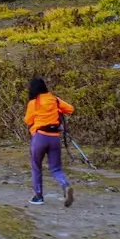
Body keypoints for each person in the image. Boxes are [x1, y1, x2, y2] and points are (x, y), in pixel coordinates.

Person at [25, 77, 75, 207]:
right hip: (54, 138)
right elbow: (70, 109)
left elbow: (28, 121)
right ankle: (65, 185)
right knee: (56, 168)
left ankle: (38, 196)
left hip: (40, 137)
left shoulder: (34, 103)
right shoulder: (55, 100)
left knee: (36, 167)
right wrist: (57, 111)